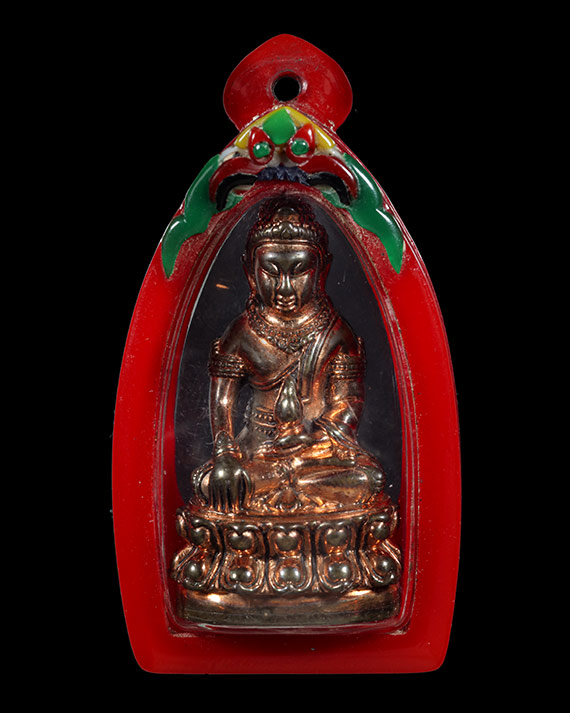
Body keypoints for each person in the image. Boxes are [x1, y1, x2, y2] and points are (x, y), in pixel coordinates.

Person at [191, 196, 386, 514]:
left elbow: (348, 403)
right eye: (270, 272)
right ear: (250, 271)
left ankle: (278, 480)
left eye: (299, 272)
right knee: (212, 483)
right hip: (257, 451)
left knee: (369, 479)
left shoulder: (336, 332)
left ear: (322, 270)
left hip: (314, 452)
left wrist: (311, 440)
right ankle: (272, 480)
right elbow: (222, 403)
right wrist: (225, 454)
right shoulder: (242, 332)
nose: (284, 288)